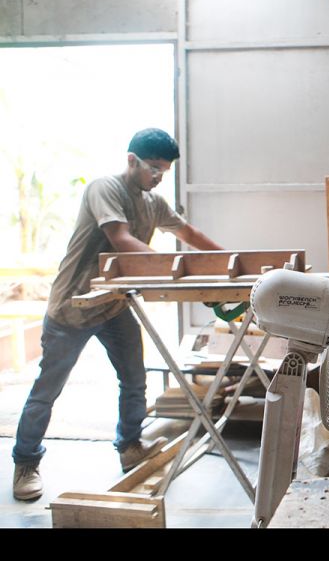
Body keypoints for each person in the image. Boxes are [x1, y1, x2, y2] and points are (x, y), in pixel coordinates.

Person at [12, 128, 223, 502]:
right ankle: (26, 462)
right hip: (73, 306)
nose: (158, 176)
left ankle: (129, 446)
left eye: (164, 171)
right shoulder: (104, 189)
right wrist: (177, 267)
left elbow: (188, 232)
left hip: (113, 305)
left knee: (134, 378)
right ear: (132, 160)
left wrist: (226, 260)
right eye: (154, 168)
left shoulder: (152, 202)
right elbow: (121, 239)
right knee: (48, 390)